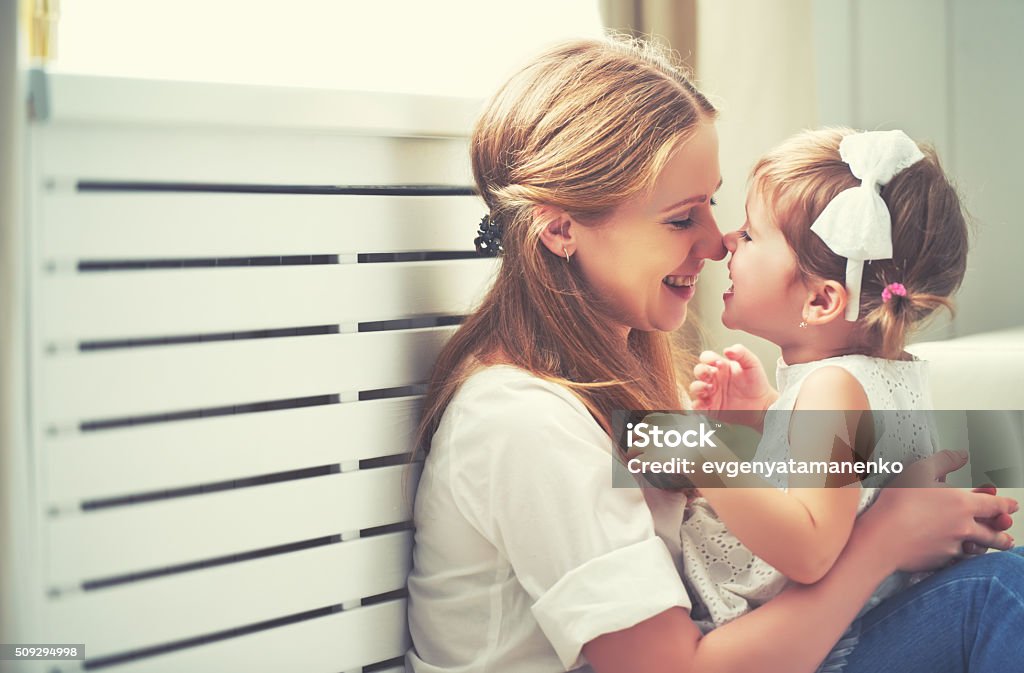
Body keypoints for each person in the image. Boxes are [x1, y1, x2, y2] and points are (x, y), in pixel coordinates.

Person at [405, 36, 1022, 673]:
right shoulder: (524, 423)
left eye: (714, 206)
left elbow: (774, 520)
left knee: (1002, 580)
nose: (716, 242)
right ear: (560, 228)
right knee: (999, 594)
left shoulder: (633, 386)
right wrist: (886, 538)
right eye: (679, 219)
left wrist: (890, 486)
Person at [676, 127, 992, 668]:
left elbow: (810, 547)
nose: (727, 240)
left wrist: (702, 452)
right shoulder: (878, 378)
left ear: (822, 300)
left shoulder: (831, 390)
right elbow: (836, 493)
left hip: (821, 646)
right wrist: (764, 419)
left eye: (751, 236)